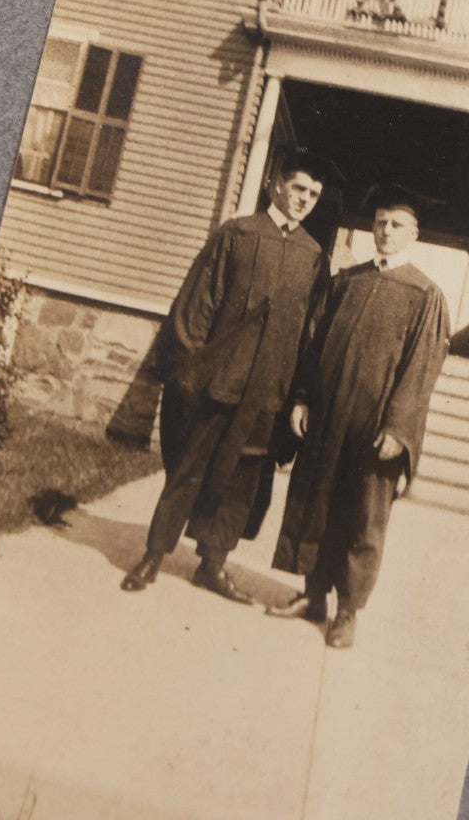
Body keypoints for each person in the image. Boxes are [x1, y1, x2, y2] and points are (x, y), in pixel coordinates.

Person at [119, 150, 338, 602]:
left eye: (313, 194)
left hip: (267, 393)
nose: (304, 200)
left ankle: (212, 564)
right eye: (298, 188)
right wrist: (190, 370)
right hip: (219, 383)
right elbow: (197, 303)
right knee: (188, 470)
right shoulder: (237, 234)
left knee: (242, 481)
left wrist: (297, 394)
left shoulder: (315, 257)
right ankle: (154, 554)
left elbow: (311, 337)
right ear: (275, 185)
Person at [266, 184, 450, 649]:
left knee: (363, 518)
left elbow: (420, 371)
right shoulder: (348, 281)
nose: (386, 231)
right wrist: (304, 398)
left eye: (397, 225)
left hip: (375, 427)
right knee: (316, 504)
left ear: (414, 233)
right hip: (328, 416)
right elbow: (313, 343)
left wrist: (398, 428)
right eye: (381, 222)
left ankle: (347, 611)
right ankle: (312, 596)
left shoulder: (425, 294)